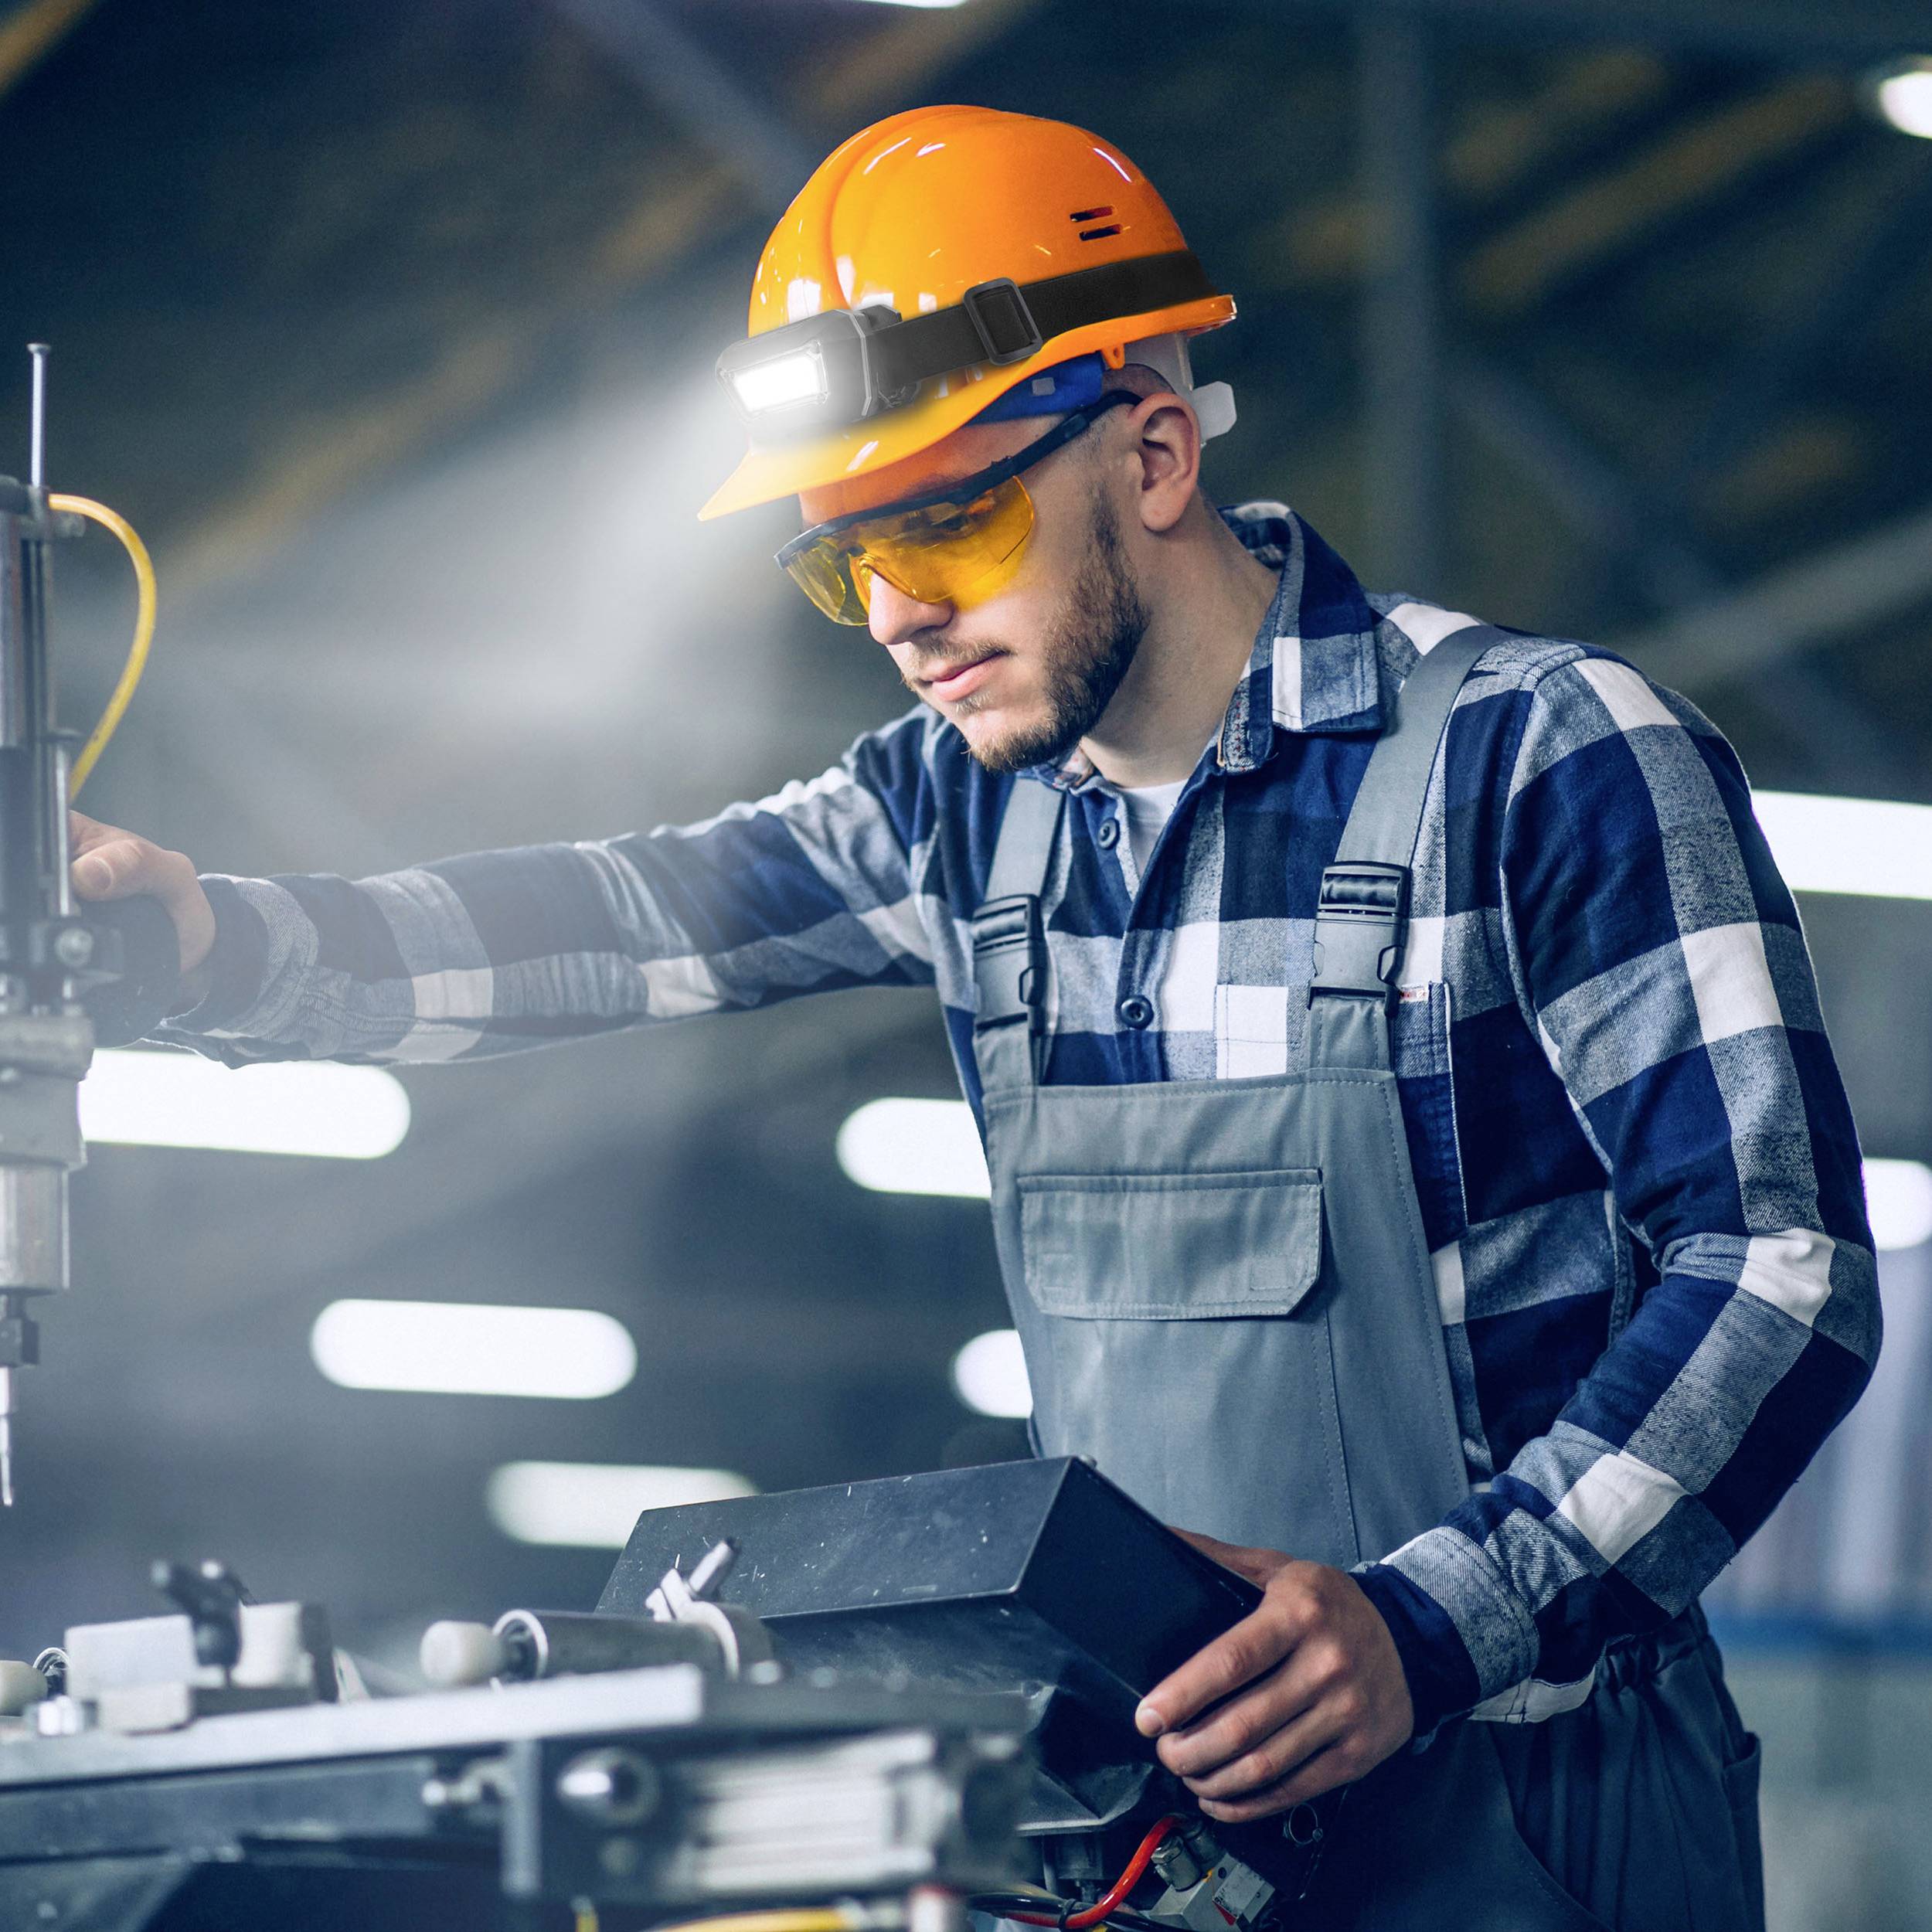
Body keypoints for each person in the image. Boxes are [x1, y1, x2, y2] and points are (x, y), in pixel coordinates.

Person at [69, 107, 1876, 1930]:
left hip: (1534, 1812)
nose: (891, 610)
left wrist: (1428, 1620)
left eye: (945, 517)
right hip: (1151, 1831)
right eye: (836, 553)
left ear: (1154, 449)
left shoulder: (1535, 757)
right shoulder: (957, 811)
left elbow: (1779, 1269)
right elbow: (629, 917)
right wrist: (226, 942)